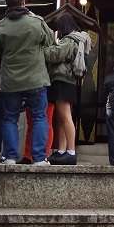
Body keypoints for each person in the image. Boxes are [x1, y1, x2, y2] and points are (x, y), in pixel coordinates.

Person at [0, 0, 55, 165]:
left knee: (10, 117)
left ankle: (10, 156)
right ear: (23, 2)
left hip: (11, 79)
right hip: (35, 77)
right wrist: (34, 17)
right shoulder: (36, 21)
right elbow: (50, 40)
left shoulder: (0, 26)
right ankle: (39, 158)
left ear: (6, 4)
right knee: (39, 117)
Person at [44, 14, 91, 165]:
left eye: (58, 27)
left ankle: (70, 151)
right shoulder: (77, 39)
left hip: (62, 79)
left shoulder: (70, 40)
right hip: (68, 80)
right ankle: (62, 150)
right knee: (62, 118)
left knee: (65, 117)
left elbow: (55, 54)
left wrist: (44, 49)